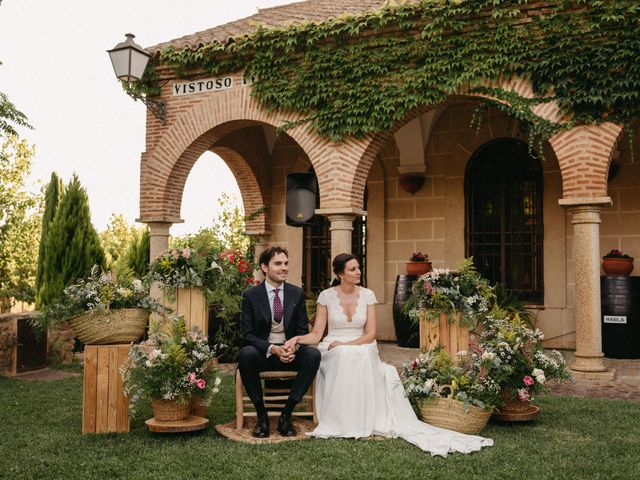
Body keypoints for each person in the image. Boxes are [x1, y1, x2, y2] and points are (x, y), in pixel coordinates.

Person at [284, 253, 493, 456]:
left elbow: (371, 334)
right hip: (332, 344)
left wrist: (346, 343)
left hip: (361, 342)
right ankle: (341, 419)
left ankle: (363, 418)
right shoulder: (326, 297)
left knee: (360, 353)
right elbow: (316, 334)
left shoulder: (367, 295)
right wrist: (297, 339)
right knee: (341, 354)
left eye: (358, 268)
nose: (358, 272)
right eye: (352, 269)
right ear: (340, 274)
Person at [237, 246, 321, 438]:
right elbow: (246, 334)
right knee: (246, 354)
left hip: (290, 351)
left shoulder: (296, 293)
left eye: (286, 263)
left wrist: (294, 346)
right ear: (264, 267)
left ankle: (286, 414)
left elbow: (301, 330)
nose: (284, 268)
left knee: (313, 355)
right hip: (263, 353)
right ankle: (262, 415)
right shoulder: (250, 295)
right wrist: (272, 348)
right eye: (278, 264)